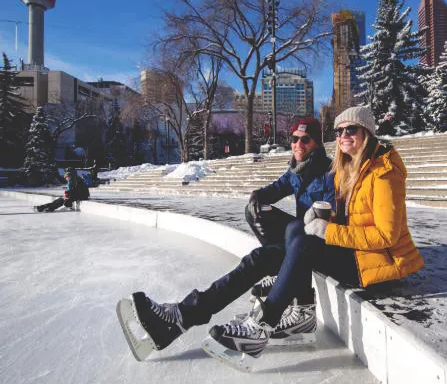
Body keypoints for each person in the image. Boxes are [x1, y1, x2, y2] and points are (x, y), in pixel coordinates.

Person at [124, 107, 424, 365]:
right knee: (265, 254)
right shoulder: (349, 167)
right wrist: (320, 220)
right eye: (341, 130)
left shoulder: (383, 172)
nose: (344, 135)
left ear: (367, 132)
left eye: (352, 129)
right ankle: (181, 316)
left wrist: (326, 228)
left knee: (302, 237)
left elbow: (386, 235)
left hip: (375, 265)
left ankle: (262, 326)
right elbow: (342, 215)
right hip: (350, 252)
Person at [123, 117, 335, 360]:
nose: (298, 144)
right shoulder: (297, 170)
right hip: (300, 242)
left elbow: (329, 219)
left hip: (318, 246)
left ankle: (269, 316)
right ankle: (181, 316)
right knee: (257, 249)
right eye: (294, 139)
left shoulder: (329, 172)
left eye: (305, 140)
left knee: (297, 228)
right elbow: (276, 188)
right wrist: (257, 197)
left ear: (317, 143)